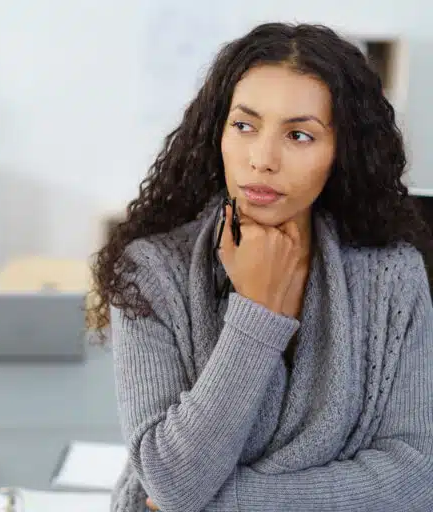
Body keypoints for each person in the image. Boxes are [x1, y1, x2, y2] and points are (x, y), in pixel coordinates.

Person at [88, 22, 433, 512]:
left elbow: (416, 476)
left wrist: (223, 503)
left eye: (299, 135)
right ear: (217, 134)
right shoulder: (152, 269)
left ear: (343, 151)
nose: (262, 159)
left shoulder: (392, 275)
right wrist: (257, 310)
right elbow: (173, 482)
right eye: (244, 126)